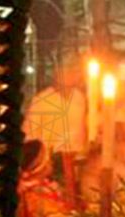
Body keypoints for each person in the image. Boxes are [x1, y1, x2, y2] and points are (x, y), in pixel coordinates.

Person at [22, 57, 87, 202]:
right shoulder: (41, 101)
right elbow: (30, 138)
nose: (73, 74)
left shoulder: (80, 98)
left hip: (77, 167)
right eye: (68, 70)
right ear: (57, 74)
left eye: (75, 70)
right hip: (51, 168)